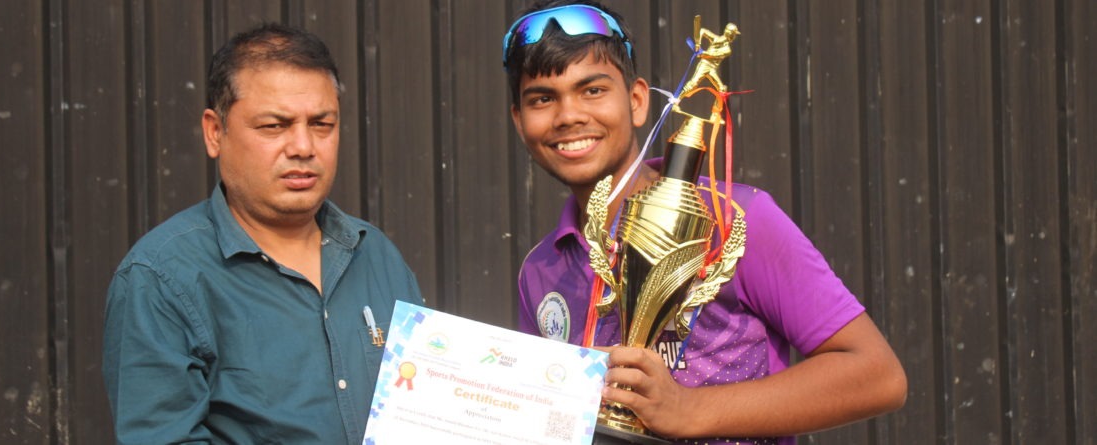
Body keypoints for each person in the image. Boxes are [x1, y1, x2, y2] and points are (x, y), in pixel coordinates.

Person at [504, 1, 907, 444]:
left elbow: (878, 375)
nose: (569, 116)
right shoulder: (540, 271)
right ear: (520, 122)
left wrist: (688, 409)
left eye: (593, 90)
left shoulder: (733, 220)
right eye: (542, 99)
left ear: (638, 102)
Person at [102, 23, 422, 444]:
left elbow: (427, 409)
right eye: (275, 126)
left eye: (322, 124)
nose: (304, 146)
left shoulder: (376, 256)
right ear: (215, 132)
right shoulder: (161, 278)